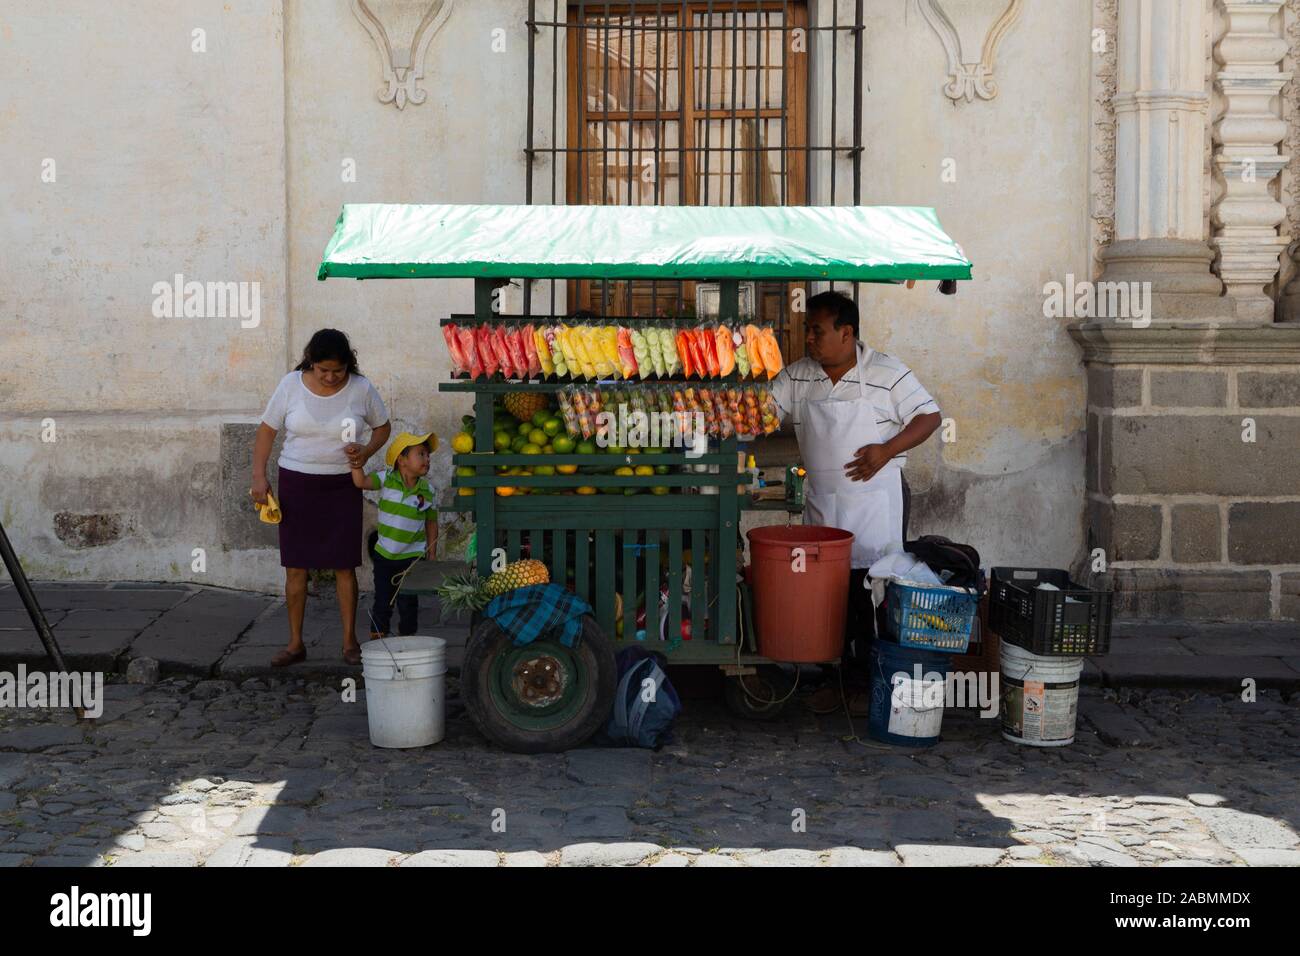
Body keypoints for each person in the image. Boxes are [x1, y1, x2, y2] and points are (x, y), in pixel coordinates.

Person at [770, 291, 942, 713]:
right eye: (807, 329)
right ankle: (835, 679)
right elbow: (762, 415)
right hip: (823, 505)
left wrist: (886, 450)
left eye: (816, 330)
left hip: (874, 503)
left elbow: (929, 416)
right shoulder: (796, 377)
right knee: (829, 595)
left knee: (873, 595)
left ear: (847, 332)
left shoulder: (886, 371)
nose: (808, 338)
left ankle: (870, 682)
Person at [251, 329, 392, 667]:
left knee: (345, 565)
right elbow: (267, 430)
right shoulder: (290, 385)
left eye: (337, 371)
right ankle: (295, 643)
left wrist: (365, 453)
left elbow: (383, 427)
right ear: (310, 362)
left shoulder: (361, 388)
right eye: (322, 370)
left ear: (349, 365)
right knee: (296, 566)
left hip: (343, 485)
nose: (329, 377)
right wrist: (259, 475)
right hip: (296, 484)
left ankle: (349, 642)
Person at [354, 431, 439, 640]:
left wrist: (432, 552)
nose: (427, 459)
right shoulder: (386, 479)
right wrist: (356, 462)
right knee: (383, 600)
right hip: (385, 556)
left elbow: (431, 522)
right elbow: (361, 482)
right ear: (402, 460)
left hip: (412, 558)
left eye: (428, 456)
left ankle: (407, 640)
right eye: (421, 454)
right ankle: (378, 638)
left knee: (408, 602)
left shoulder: (428, 490)